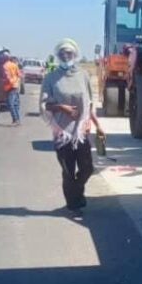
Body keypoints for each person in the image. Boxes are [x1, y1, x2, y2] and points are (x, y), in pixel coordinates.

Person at [40, 38, 100, 211]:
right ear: (58, 56)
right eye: (62, 53)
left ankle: (76, 192)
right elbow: (44, 105)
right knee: (68, 172)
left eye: (69, 53)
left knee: (87, 168)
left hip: (80, 132)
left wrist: (93, 123)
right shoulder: (51, 78)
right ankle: (73, 205)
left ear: (75, 54)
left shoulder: (83, 75)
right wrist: (61, 108)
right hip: (62, 133)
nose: (66, 56)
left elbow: (89, 102)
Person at [0, 50, 22, 125]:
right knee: (15, 104)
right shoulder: (14, 65)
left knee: (10, 104)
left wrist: (2, 80)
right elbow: (19, 75)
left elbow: (7, 77)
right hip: (15, 85)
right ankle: (18, 119)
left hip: (10, 86)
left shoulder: (5, 66)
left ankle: (15, 119)